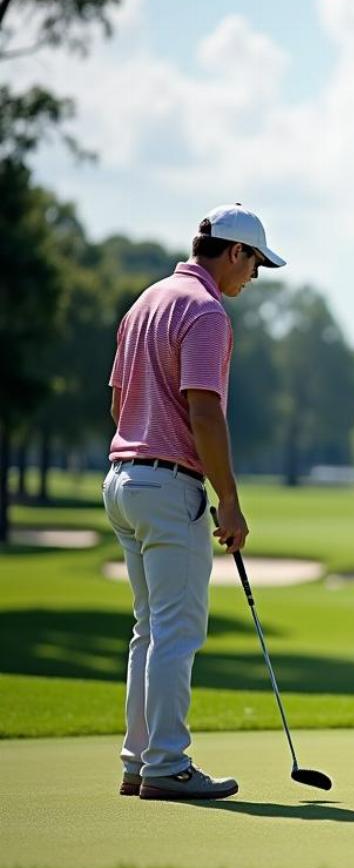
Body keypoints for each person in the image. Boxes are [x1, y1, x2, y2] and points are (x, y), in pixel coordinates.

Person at [104, 203, 286, 800]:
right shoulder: (207, 312)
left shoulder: (146, 301)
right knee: (177, 633)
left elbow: (117, 402)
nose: (253, 277)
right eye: (254, 263)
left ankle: (139, 760)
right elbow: (205, 409)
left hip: (123, 480)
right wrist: (228, 500)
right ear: (234, 252)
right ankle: (166, 763)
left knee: (148, 629)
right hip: (167, 484)